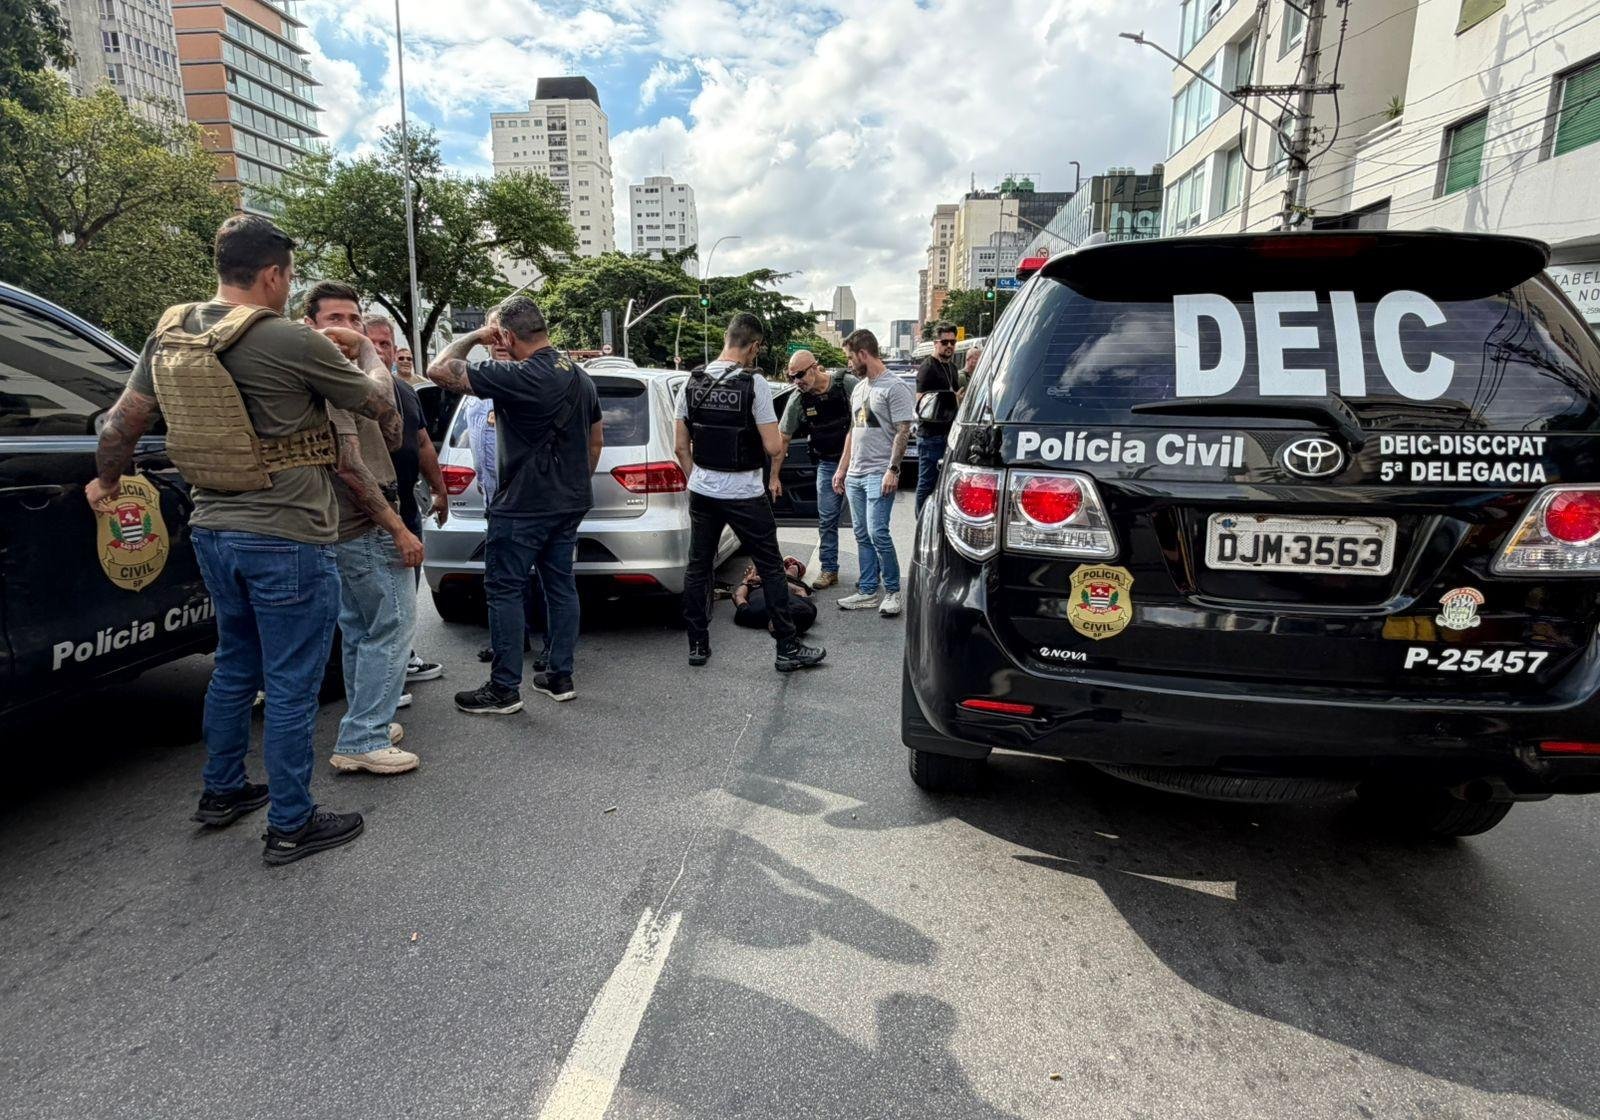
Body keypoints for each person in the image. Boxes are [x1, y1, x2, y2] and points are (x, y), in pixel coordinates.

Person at [85, 215, 402, 866]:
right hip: (287, 534)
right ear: (272, 274)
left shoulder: (170, 332)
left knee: (234, 666)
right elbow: (377, 404)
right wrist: (363, 348)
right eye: (287, 278)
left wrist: (106, 483)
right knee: (291, 685)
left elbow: (120, 425)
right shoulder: (287, 339)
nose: (287, 289)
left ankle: (222, 790)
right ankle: (291, 822)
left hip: (212, 529)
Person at [428, 295, 603, 714]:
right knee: (560, 585)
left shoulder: (519, 375)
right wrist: (568, 482)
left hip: (521, 505)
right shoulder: (579, 376)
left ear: (505, 334)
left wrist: (474, 334)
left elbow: (438, 369)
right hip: (568, 503)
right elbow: (596, 440)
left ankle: (504, 688)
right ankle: (559, 676)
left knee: (504, 589)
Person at [302, 283, 425, 775]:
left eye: (354, 319)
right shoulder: (323, 382)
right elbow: (352, 469)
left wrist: (371, 362)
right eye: (335, 318)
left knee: (360, 628)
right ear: (308, 325)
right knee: (391, 627)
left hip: (356, 525)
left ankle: (365, 719)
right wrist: (398, 528)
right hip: (364, 522)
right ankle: (364, 735)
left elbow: (393, 431)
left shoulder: (348, 378)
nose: (347, 330)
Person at [675, 312, 825, 672]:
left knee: (699, 567)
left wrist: (701, 478)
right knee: (772, 568)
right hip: (743, 492)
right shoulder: (752, 384)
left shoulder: (691, 381)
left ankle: (698, 645)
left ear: (728, 338)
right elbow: (774, 446)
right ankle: (787, 649)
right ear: (754, 346)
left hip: (703, 492)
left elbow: (681, 448)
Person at [363, 313, 447, 687]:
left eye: (387, 343)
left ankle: (403, 658)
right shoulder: (346, 389)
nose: (381, 351)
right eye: (373, 342)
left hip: (406, 504)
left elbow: (424, 443)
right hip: (364, 512)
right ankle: (381, 684)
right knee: (373, 605)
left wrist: (439, 489)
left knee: (405, 592)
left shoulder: (406, 391)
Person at [463, 327, 551, 670]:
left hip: (532, 500)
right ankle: (512, 640)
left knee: (546, 577)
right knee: (504, 579)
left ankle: (551, 647)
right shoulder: (475, 388)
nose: (500, 343)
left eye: (505, 335)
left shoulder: (531, 382)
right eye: (492, 335)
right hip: (495, 499)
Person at [833, 329, 915, 617]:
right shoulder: (858, 388)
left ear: (863, 354)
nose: (849, 363)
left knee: (877, 531)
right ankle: (868, 590)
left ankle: (892, 591)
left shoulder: (895, 387)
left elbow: (903, 431)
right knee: (861, 534)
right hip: (855, 474)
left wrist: (893, 469)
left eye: (850, 357)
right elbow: (854, 431)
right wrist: (842, 469)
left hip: (879, 472)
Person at [777, 350, 858, 591]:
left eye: (799, 375)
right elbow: (783, 437)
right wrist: (773, 475)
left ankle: (871, 574)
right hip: (827, 464)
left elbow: (865, 422)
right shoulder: (798, 399)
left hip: (858, 464)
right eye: (791, 377)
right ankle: (829, 569)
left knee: (865, 525)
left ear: (815, 367)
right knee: (826, 520)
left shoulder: (847, 384)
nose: (796, 381)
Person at [914, 321, 960, 516]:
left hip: (948, 434)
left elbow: (956, 396)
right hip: (931, 436)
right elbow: (921, 404)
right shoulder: (928, 368)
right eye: (945, 342)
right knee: (927, 482)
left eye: (952, 342)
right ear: (936, 342)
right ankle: (921, 522)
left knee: (943, 483)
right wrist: (951, 398)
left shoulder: (952, 368)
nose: (949, 346)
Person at [733, 556, 818, 635]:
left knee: (758, 568)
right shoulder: (809, 610)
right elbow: (800, 590)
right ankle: (794, 566)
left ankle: (776, 568)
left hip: (755, 587)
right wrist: (772, 581)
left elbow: (738, 596)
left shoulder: (753, 614)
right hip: (783, 584)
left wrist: (746, 580)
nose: (774, 629)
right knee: (791, 572)